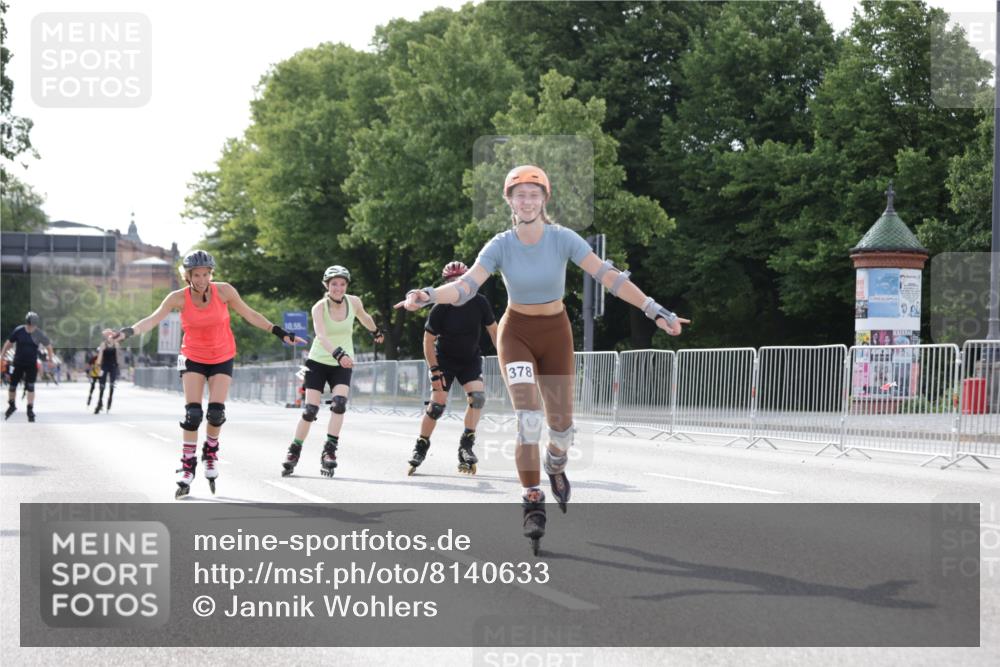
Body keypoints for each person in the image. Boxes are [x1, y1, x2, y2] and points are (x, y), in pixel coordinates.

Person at [397, 165, 689, 553]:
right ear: (509, 201)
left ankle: (556, 462)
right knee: (528, 419)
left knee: (562, 429)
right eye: (520, 195)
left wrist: (656, 310)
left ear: (544, 199)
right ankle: (532, 498)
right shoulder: (500, 244)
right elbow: (466, 287)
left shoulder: (562, 239)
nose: (527, 201)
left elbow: (608, 277)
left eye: (534, 194)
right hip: (515, 332)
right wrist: (429, 294)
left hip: (556, 333)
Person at [104, 250, 306, 498]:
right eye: (196, 275)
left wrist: (280, 332)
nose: (202, 279)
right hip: (192, 357)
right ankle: (188, 464)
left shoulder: (224, 291)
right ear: (187, 276)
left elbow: (250, 313)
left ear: (211, 273)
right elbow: (152, 320)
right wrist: (126, 333)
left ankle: (210, 452)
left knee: (216, 412)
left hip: (222, 356)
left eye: (206, 274)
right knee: (193, 414)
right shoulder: (177, 298)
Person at [282, 265, 383, 478]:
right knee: (310, 410)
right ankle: (294, 451)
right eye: (334, 284)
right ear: (327, 286)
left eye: (342, 284)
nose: (338, 288)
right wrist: (339, 354)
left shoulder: (353, 302)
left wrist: (375, 331)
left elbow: (364, 316)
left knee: (339, 405)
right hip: (318, 362)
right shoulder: (319, 307)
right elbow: (321, 335)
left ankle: (329, 451)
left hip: (341, 365)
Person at [407, 260, 498, 475]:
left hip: (469, 359)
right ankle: (421, 446)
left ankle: (466, 445)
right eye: (451, 281)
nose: (456, 283)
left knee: (478, 398)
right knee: (437, 404)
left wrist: (506, 357)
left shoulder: (480, 302)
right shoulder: (440, 308)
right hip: (444, 360)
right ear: (446, 283)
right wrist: (434, 371)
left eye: (460, 279)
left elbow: (494, 332)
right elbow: (427, 342)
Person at [2, 312, 55, 423]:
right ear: (27, 323)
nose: (32, 327)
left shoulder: (39, 333)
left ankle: (30, 409)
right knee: (12, 386)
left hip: (31, 364)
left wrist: (50, 360)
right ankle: (12, 404)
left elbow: (49, 346)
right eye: (31, 324)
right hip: (18, 363)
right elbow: (9, 343)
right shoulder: (19, 331)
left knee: (31, 386)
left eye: (34, 325)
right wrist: (2, 355)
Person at [92, 335, 121, 414]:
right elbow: (100, 355)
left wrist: (118, 366)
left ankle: (109, 400)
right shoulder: (103, 344)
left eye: (112, 337)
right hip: (104, 366)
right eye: (109, 337)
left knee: (112, 385)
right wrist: (97, 364)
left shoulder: (116, 344)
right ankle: (99, 403)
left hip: (113, 366)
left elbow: (118, 356)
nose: (110, 338)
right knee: (102, 386)